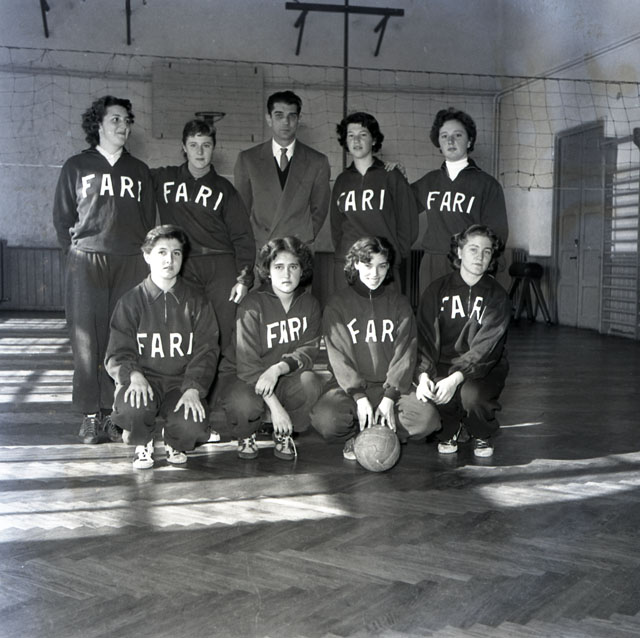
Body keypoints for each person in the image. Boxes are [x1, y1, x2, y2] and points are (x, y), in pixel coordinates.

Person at [52, 95, 156, 445]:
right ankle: (89, 415)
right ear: (98, 124)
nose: (123, 126)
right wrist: (75, 255)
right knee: (86, 340)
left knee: (121, 338)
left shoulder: (139, 171)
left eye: (127, 120)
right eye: (116, 120)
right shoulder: (76, 166)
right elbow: (62, 218)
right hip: (86, 261)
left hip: (129, 263)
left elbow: (148, 221)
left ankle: (115, 413)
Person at [310, 236, 437, 460]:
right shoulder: (337, 304)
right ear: (355, 264)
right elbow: (339, 358)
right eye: (368, 265)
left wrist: (390, 397)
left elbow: (405, 354)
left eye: (382, 266)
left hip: (393, 388)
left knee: (427, 420)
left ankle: (380, 430)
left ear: (388, 267)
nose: (375, 273)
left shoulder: (399, 303)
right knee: (326, 419)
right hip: (349, 389)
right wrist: (359, 396)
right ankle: (358, 433)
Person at [105, 225, 219, 470]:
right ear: (147, 256)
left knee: (192, 424)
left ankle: (174, 439)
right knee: (133, 408)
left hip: (181, 383)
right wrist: (133, 375)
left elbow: (207, 351)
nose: (170, 260)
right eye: (162, 252)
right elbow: (117, 351)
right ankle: (142, 440)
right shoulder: (131, 301)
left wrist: (193, 388)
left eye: (176, 253)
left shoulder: (197, 302)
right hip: (145, 380)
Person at [152, 119, 255, 353]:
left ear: (213, 148)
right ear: (183, 147)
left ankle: (223, 378)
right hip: (183, 265)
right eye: (193, 145)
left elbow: (242, 236)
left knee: (223, 331)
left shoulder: (225, 189)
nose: (200, 152)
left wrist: (243, 279)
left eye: (206, 145)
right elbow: (134, 175)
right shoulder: (164, 178)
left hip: (220, 266)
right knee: (184, 331)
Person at [218, 236, 324, 461]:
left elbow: (308, 351)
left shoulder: (310, 304)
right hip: (244, 377)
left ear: (302, 270)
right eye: (279, 267)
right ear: (267, 270)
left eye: (293, 266)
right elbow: (247, 364)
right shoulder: (251, 304)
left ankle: (284, 431)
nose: (286, 274)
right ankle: (247, 432)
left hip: (283, 377)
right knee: (243, 403)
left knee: (310, 382)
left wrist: (277, 369)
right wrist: (275, 406)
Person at [414, 224, 511, 458]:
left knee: (472, 396)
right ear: (459, 251)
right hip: (442, 365)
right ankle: (451, 428)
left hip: (484, 368)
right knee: (435, 395)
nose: (480, 257)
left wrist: (456, 378)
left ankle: (480, 431)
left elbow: (487, 349)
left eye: (486, 251)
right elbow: (424, 338)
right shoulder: (436, 290)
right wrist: (423, 375)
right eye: (473, 249)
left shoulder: (498, 296)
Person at [412, 107, 509, 293]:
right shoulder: (429, 181)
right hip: (432, 263)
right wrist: (391, 173)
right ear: (438, 143)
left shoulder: (487, 185)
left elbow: (498, 234)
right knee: (431, 311)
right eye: (444, 136)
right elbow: (398, 205)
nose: (450, 141)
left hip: (469, 264)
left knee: (465, 312)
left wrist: (487, 267)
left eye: (457, 135)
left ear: (469, 140)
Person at [330, 112, 419, 290]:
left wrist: (394, 256)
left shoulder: (391, 176)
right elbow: (336, 227)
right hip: (349, 267)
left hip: (382, 265)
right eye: (351, 135)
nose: (356, 140)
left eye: (363, 134)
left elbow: (408, 222)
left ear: (374, 140)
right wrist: (343, 254)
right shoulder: (341, 180)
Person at [233, 90, 331, 252]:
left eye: (292, 116)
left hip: (298, 249)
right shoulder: (248, 159)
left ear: (299, 119)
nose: (286, 122)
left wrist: (304, 237)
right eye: (279, 115)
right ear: (269, 119)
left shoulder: (317, 161)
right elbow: (241, 209)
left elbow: (319, 209)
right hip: (261, 249)